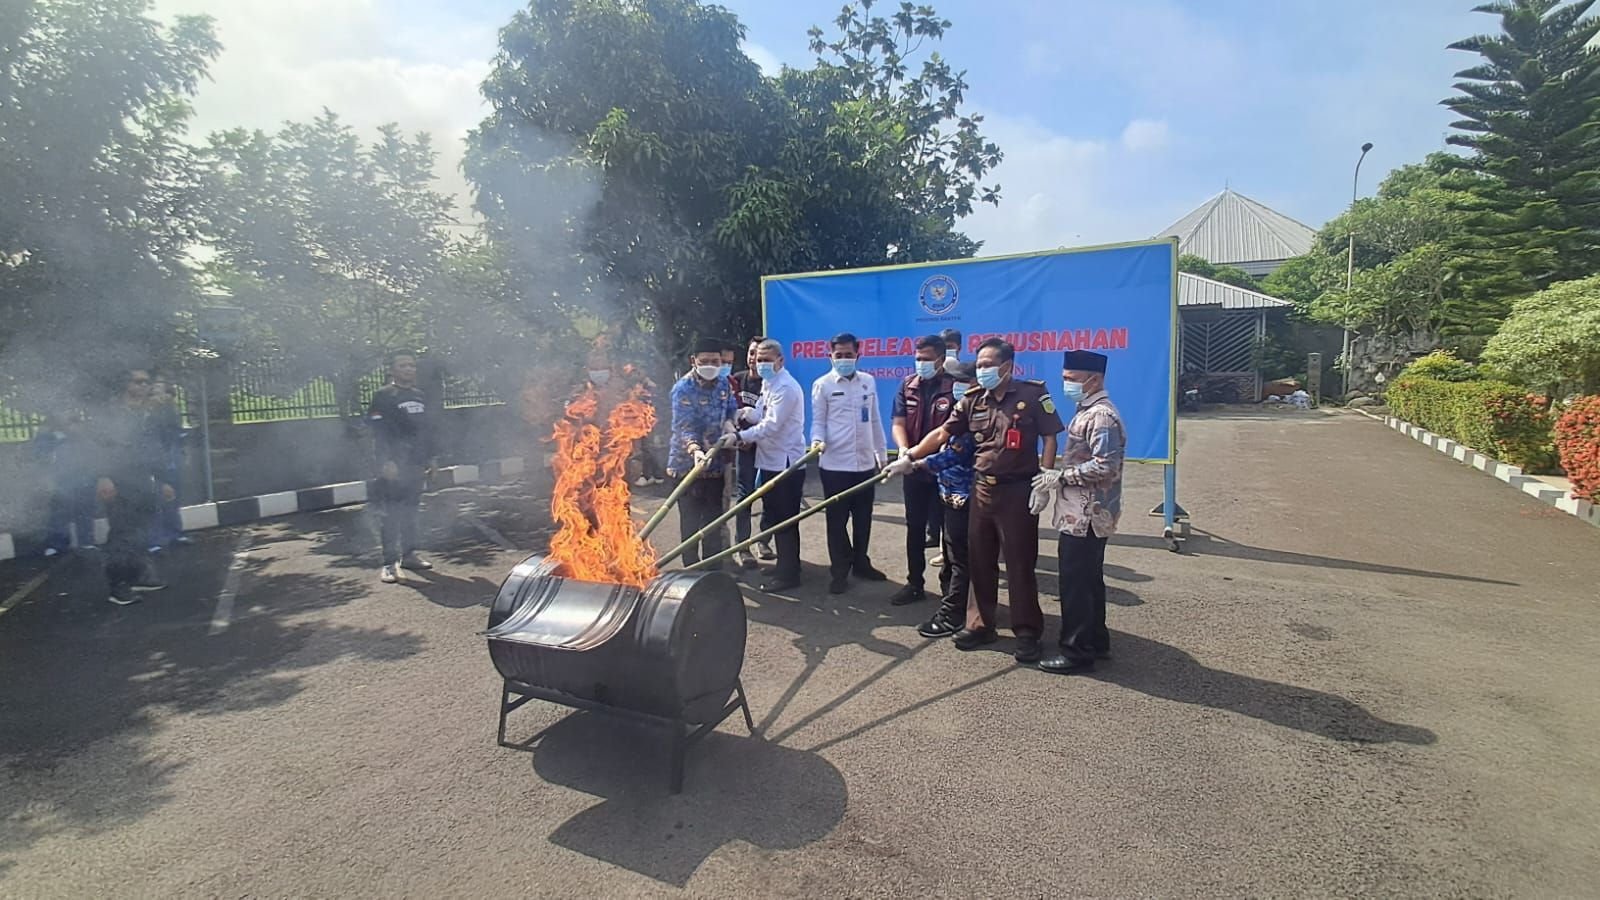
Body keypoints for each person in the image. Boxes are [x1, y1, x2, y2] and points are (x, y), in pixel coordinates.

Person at [901, 338, 1064, 662]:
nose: (982, 370)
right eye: (980, 365)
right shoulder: (973, 399)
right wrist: (910, 456)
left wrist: (1045, 479)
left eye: (988, 365)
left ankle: (1027, 631)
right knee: (979, 560)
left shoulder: (1031, 395)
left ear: (1007, 366)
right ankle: (980, 624)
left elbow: (1050, 437)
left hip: (1017, 490)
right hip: (982, 489)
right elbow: (942, 434)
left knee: (1019, 563)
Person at [1032, 349, 1125, 675]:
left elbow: (1105, 465)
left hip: (1086, 514)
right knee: (1088, 580)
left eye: (1072, 379)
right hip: (1081, 513)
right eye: (1065, 378)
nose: (1067, 384)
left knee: (1075, 584)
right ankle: (1096, 640)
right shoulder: (1087, 410)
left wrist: (1061, 477)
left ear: (1094, 380)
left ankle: (1076, 651)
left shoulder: (1101, 416)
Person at [886, 360, 977, 637]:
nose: (957, 386)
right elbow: (939, 435)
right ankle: (950, 601)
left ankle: (955, 613)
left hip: (966, 494)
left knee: (960, 556)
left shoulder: (976, 412)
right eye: (956, 381)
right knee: (951, 551)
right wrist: (909, 455)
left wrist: (915, 463)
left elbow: (953, 453)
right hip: (947, 489)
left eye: (962, 382)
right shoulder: (961, 407)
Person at [811, 332, 888, 594]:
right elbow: (818, 421)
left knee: (863, 519)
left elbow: (874, 419)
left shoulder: (868, 382)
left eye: (848, 355)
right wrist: (817, 440)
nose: (844, 359)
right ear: (830, 356)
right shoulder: (823, 385)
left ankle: (861, 563)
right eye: (839, 355)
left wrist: (881, 453)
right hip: (835, 465)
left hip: (864, 464)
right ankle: (839, 570)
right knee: (837, 521)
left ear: (858, 355)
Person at [92, 368, 172, 605]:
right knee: (122, 534)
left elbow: (155, 449)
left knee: (140, 532)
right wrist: (103, 476)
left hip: (143, 480)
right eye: (139, 382)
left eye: (147, 382)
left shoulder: (147, 414)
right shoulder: (111, 414)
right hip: (119, 481)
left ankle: (138, 577)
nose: (145, 386)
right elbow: (99, 448)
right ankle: (118, 586)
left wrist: (163, 480)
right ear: (126, 385)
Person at [735, 337, 808, 592]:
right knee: (776, 516)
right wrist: (744, 413)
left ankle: (789, 575)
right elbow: (760, 414)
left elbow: (772, 425)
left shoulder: (786, 387)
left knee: (785, 520)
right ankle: (785, 566)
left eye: (767, 360)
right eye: (759, 360)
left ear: (780, 360)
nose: (762, 364)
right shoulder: (770, 383)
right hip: (769, 461)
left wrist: (740, 436)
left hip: (785, 463)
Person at [888, 334, 955, 605]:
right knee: (914, 527)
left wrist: (916, 454)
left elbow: (947, 431)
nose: (921, 364)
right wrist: (904, 450)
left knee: (948, 532)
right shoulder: (908, 385)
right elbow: (898, 422)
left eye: (926, 359)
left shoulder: (954, 386)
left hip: (945, 471)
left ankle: (950, 588)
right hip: (913, 470)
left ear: (941, 360)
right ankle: (914, 583)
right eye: (917, 358)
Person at [667, 338, 739, 567]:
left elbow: (731, 409)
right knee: (690, 522)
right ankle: (691, 568)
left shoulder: (723, 384)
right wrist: (696, 450)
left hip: (715, 465)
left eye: (715, 361)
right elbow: (684, 427)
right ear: (693, 361)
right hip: (686, 465)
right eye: (705, 361)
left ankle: (712, 569)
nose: (710, 366)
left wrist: (730, 426)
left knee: (712, 522)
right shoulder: (682, 389)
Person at [367, 350, 435, 584]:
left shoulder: (419, 396)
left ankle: (409, 555)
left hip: (415, 464)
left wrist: (430, 459)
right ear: (392, 370)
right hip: (394, 465)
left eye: (411, 365)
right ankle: (389, 563)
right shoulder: (383, 396)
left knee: (411, 511)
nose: (408, 369)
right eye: (403, 365)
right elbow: (378, 431)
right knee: (391, 513)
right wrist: (385, 461)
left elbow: (425, 431)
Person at [730, 336, 773, 568]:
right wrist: (739, 436)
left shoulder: (771, 383)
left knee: (769, 495)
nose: (754, 358)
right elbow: (729, 411)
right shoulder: (736, 380)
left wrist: (752, 436)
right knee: (744, 496)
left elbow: (772, 419)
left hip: (767, 447)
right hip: (743, 447)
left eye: (759, 354)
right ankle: (742, 546)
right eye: (751, 353)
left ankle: (763, 541)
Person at [33, 411, 96, 556]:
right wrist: (45, 477)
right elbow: (40, 458)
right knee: (59, 512)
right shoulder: (47, 437)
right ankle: (57, 545)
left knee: (85, 510)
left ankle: (86, 542)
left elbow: (91, 453)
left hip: (84, 478)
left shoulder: (81, 437)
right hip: (60, 480)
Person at [145, 373, 188, 550]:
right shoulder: (146, 411)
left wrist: (182, 452)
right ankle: (155, 538)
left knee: (173, 496)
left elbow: (177, 432)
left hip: (172, 455)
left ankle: (175, 533)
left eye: (162, 389)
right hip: (154, 457)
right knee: (156, 497)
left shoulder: (171, 410)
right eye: (156, 389)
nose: (160, 394)